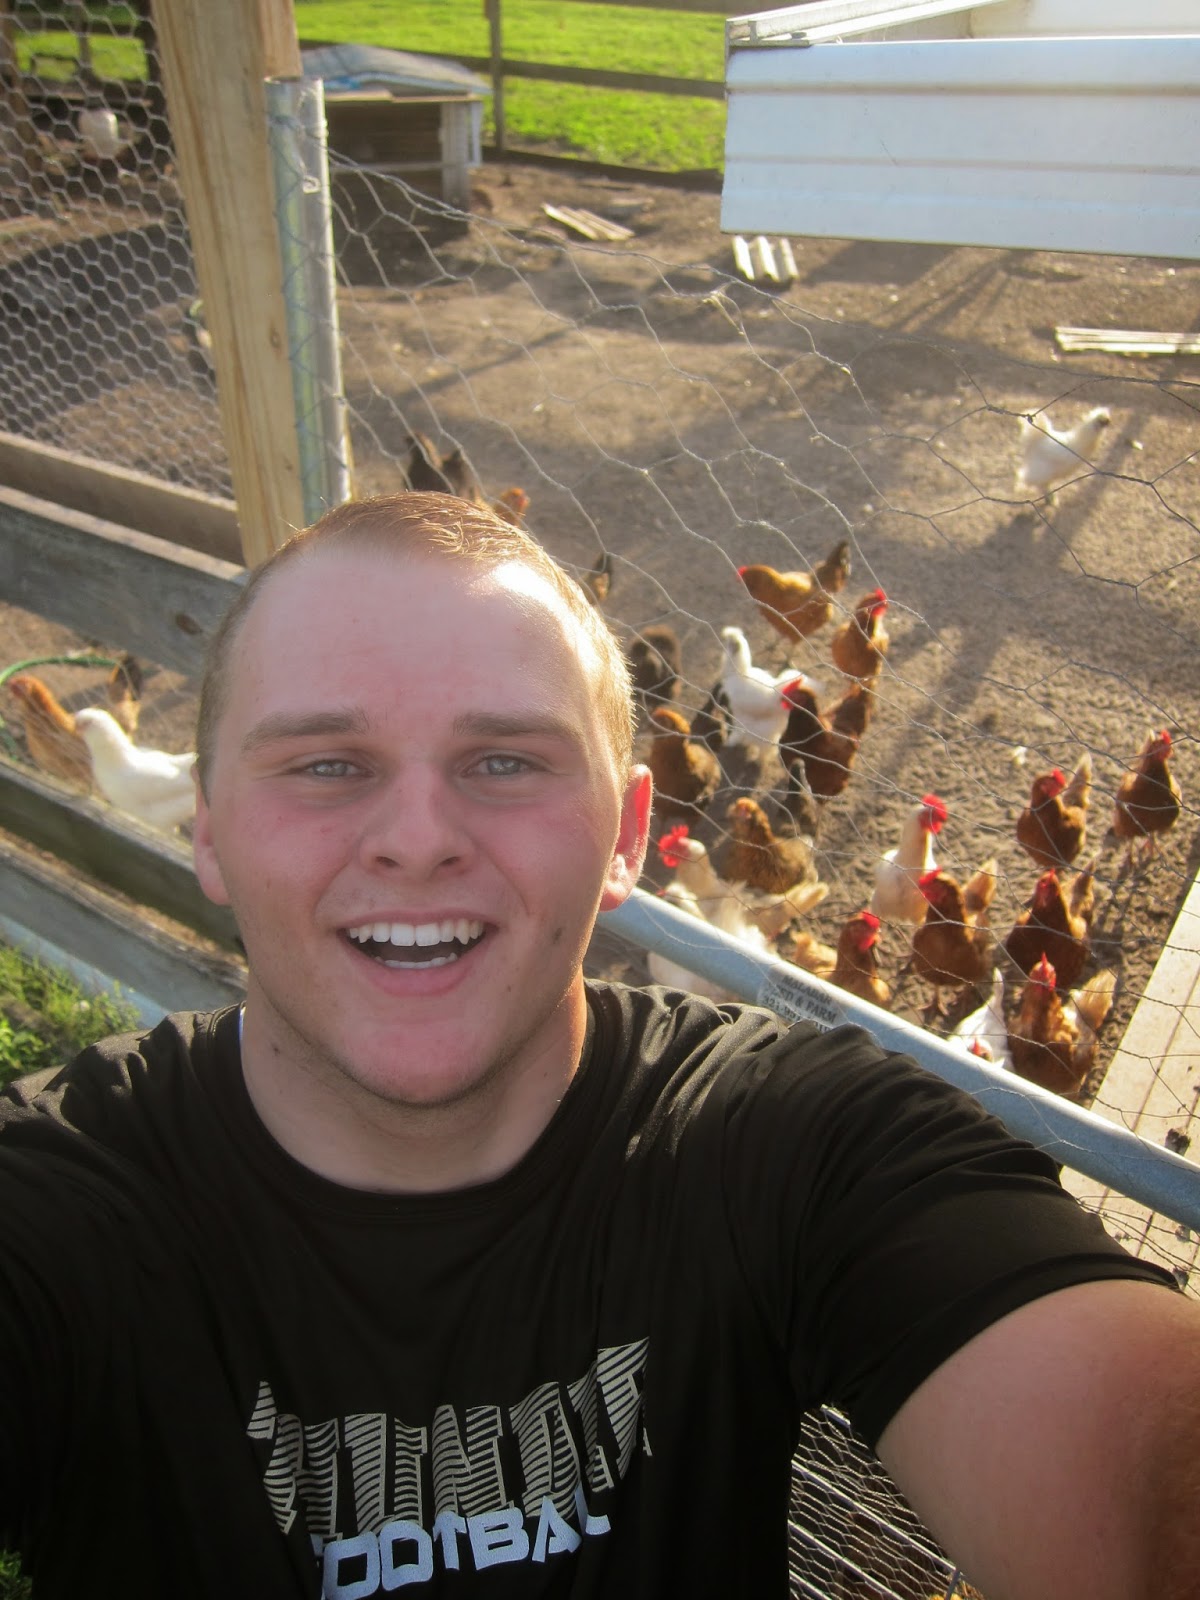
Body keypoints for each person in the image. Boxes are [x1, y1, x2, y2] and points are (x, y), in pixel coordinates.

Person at [1, 490, 1197, 1600]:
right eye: (324, 764)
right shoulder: (60, 1211)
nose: (417, 838)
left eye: (505, 761)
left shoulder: (792, 1143)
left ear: (627, 836)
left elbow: (1139, 1464)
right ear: (209, 830)